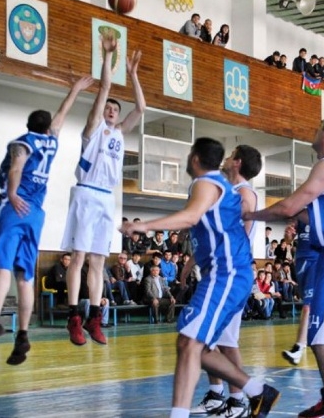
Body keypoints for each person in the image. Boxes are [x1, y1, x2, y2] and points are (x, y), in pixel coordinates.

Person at [120, 137, 279, 418]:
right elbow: (204, 223)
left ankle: (228, 399)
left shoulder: (207, 182)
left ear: (194, 158)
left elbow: (191, 217)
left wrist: (144, 226)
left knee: (192, 342)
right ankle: (256, 391)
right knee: (197, 346)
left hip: (227, 273)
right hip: (228, 273)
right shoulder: (222, 187)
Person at [245, 113, 324, 418]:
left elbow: (290, 205)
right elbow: (308, 214)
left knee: (323, 339)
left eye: (317, 127)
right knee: (318, 336)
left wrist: (250, 215)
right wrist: (290, 214)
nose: (314, 131)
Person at [0, 74, 91, 364]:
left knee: (1, 266)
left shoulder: (22, 143)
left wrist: (12, 194)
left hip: (14, 207)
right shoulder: (51, 142)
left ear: (28, 126)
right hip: (36, 214)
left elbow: (16, 168)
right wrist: (75, 89)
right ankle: (23, 335)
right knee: (25, 275)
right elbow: (61, 116)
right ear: (47, 127)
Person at [61, 33, 146, 347]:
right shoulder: (93, 129)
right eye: (107, 107)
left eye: (114, 109)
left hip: (108, 198)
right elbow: (105, 88)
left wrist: (133, 74)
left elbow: (141, 107)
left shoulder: (120, 133)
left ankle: (95, 318)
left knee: (98, 261)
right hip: (86, 191)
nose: (110, 110)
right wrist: (108, 56)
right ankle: (74, 316)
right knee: (79, 257)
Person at [191, 144, 262, 417]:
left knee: (227, 342)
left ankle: (238, 399)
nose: (227, 158)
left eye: (231, 155)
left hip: (232, 275)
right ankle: (216, 394)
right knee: (207, 339)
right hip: (217, 272)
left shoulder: (244, 193)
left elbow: (232, 236)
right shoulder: (229, 191)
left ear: (238, 162)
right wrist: (191, 263)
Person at [282, 220, 319, 365]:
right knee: (310, 304)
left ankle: (298, 347)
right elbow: (288, 240)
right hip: (301, 262)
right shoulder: (301, 216)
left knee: (307, 306)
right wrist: (288, 235)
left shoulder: (323, 214)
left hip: (317, 261)